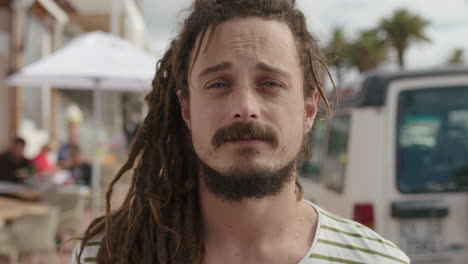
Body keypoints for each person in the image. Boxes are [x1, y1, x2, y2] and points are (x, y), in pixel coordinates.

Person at [74, 0, 410, 263]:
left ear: (308, 109)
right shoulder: (108, 255)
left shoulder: (377, 261)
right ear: (187, 109)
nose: (244, 106)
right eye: (219, 83)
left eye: (270, 83)